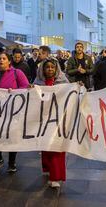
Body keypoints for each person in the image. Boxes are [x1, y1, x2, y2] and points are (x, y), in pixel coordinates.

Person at [0, 52, 29, 174]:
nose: (1, 60)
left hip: (12, 110)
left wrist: (14, 91)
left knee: (11, 136)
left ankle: (12, 162)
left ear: (9, 61)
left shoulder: (17, 73)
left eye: (4, 58)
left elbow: (26, 87)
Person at [33, 58, 69, 188]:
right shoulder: (38, 82)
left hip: (59, 119)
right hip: (43, 119)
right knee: (46, 146)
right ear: (43, 69)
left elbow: (70, 95)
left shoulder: (63, 82)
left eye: (52, 67)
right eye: (47, 67)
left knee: (57, 147)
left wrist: (78, 87)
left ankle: (56, 176)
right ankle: (47, 168)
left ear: (56, 69)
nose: (50, 69)